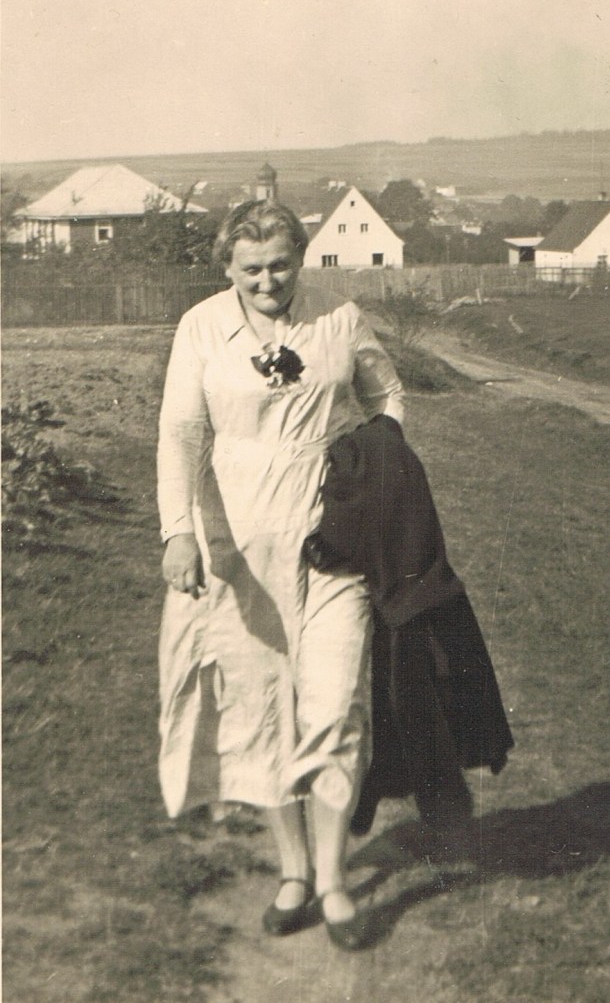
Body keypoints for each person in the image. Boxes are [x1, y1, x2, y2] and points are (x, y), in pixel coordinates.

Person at [156, 200, 404, 949]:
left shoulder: (338, 318)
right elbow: (180, 433)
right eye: (251, 269)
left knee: (334, 701)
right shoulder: (201, 328)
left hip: (334, 536)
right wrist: (178, 532)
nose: (268, 281)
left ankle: (332, 877)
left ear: (300, 257)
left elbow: (384, 391)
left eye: (280, 265)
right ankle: (292, 868)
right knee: (260, 703)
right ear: (228, 267)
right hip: (240, 543)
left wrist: (380, 461)